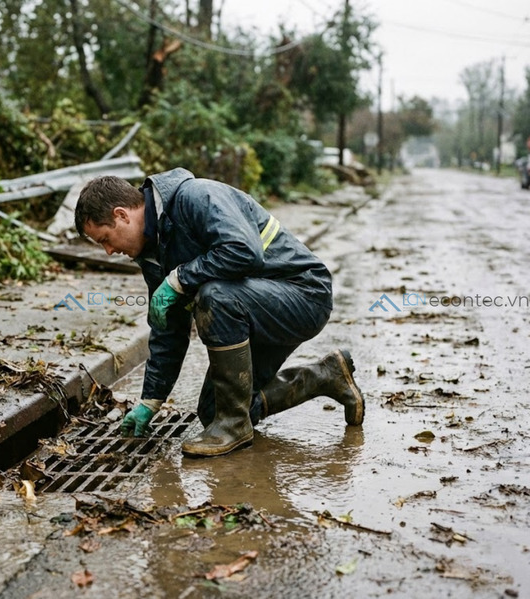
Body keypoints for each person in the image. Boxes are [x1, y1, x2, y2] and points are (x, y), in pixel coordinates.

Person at [74, 168, 364, 458]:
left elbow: (243, 251)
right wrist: (150, 400)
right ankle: (325, 376)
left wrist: (180, 279)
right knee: (214, 411)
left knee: (215, 296)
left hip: (303, 297)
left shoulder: (195, 197)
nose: (109, 251)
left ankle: (235, 425)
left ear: (122, 215)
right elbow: (168, 329)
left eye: (105, 239)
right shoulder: (152, 252)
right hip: (254, 311)